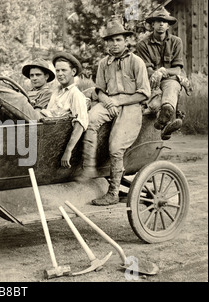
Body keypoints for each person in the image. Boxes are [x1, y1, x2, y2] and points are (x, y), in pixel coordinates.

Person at [78, 19, 151, 206]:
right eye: (110, 41)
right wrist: (107, 101)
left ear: (126, 41)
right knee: (89, 120)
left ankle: (113, 192)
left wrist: (118, 100)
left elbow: (143, 93)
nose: (114, 44)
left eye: (118, 40)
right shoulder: (104, 63)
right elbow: (99, 90)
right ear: (106, 43)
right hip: (108, 103)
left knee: (116, 147)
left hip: (130, 105)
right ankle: (89, 167)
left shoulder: (136, 62)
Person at [136, 7, 191, 140]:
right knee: (154, 104)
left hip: (170, 79)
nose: (161, 24)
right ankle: (166, 121)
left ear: (168, 25)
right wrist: (157, 73)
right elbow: (147, 71)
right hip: (151, 81)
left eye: (164, 21)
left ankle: (165, 114)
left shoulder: (176, 42)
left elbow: (177, 69)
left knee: (172, 86)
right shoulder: (142, 44)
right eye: (157, 21)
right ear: (152, 24)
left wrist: (163, 71)